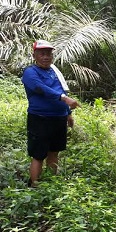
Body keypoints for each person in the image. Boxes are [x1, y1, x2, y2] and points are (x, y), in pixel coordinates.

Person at [21, 40, 80, 187]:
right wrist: (64, 99)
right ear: (35, 55)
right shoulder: (30, 72)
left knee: (54, 151)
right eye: (42, 53)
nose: (46, 57)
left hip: (58, 118)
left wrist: (68, 113)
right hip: (40, 118)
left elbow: (62, 90)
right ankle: (34, 184)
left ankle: (52, 183)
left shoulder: (54, 71)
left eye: (48, 54)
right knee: (39, 154)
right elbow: (40, 88)